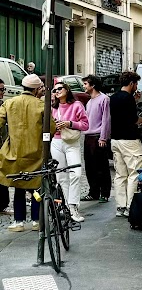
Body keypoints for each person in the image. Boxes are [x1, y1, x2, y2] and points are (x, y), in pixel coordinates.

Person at [0, 75, 54, 231]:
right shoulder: (41, 105)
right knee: (37, 187)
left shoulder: (9, 103)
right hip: (36, 153)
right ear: (36, 89)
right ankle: (37, 221)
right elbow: (50, 128)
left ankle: (19, 222)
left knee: (19, 187)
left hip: (15, 153)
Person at [110, 71, 142, 217]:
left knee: (120, 174)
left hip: (115, 139)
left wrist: (135, 100)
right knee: (134, 173)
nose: (136, 86)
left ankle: (120, 206)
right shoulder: (128, 99)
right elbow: (133, 119)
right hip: (130, 140)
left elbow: (120, 114)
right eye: (136, 83)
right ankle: (130, 206)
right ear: (131, 83)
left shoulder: (113, 98)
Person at [51, 82, 89, 222]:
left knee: (76, 174)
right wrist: (54, 126)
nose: (57, 91)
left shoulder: (77, 105)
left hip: (72, 142)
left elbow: (85, 125)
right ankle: (67, 207)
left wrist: (69, 123)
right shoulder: (52, 107)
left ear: (67, 89)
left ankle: (73, 206)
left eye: (60, 88)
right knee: (61, 177)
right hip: (56, 142)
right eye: (55, 90)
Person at [82, 75, 112, 203]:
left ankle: (104, 193)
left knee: (102, 166)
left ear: (92, 85)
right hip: (88, 136)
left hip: (98, 137)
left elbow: (106, 119)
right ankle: (93, 191)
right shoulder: (89, 102)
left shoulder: (104, 99)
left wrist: (103, 138)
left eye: (85, 84)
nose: (84, 86)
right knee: (90, 166)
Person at [0, 79, 9, 214]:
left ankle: (2, 204)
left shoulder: (2, 105)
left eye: (3, 89)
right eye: (0, 90)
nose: (2, 92)